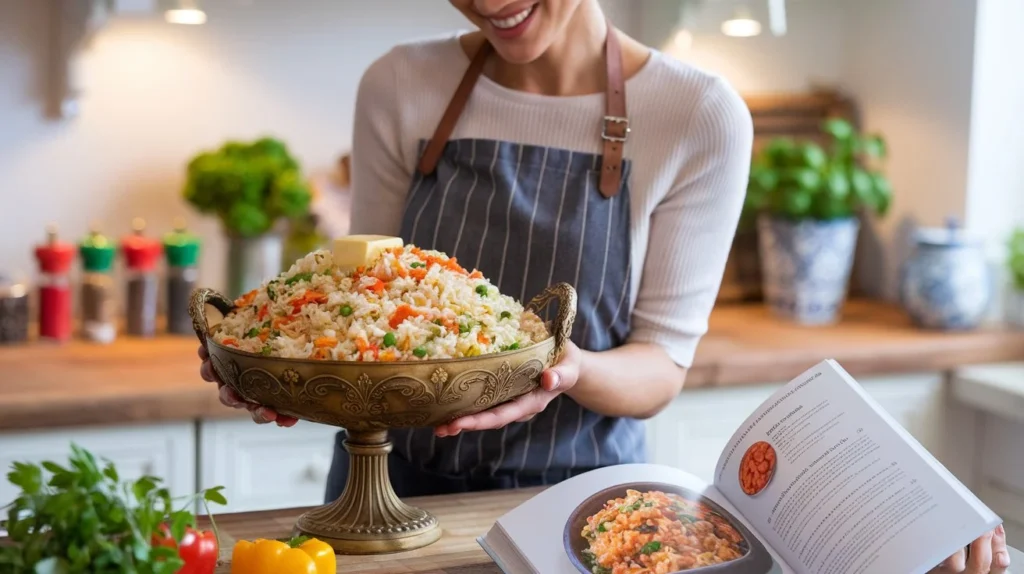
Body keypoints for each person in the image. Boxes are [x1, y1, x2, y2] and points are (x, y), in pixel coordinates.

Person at [197, 0, 1009, 570]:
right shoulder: (399, 84)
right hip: (380, 500)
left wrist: (568, 369)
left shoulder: (696, 113)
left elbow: (661, 366)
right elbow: (365, 296)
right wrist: (290, 364)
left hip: (576, 513)